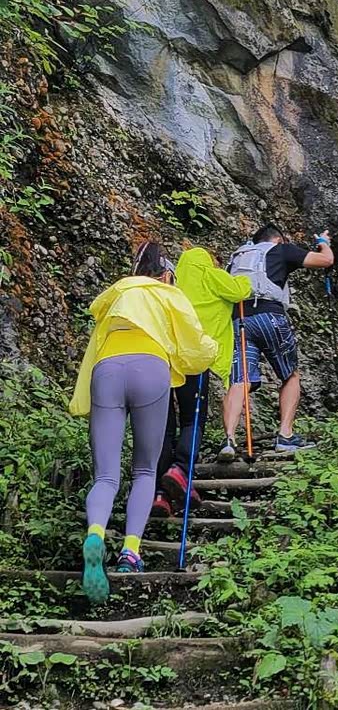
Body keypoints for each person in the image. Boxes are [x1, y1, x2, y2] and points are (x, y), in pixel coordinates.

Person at [69, 241, 217, 605]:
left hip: (107, 368)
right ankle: (130, 553)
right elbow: (195, 348)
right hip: (150, 367)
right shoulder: (168, 294)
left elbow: (95, 343)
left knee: (105, 475)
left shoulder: (117, 293)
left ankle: (96, 534)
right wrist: (211, 350)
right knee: (144, 470)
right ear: (166, 274)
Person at [151, 247, 251, 518]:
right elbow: (241, 289)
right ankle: (181, 469)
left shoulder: (172, 285)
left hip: (164, 359)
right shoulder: (211, 275)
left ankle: (160, 494)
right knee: (192, 421)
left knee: (165, 428)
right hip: (196, 357)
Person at [219, 224, 334, 458]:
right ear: (278, 239)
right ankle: (285, 435)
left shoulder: (237, 259)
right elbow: (326, 260)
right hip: (270, 316)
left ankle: (229, 440)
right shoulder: (280, 250)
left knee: (239, 380)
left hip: (239, 320)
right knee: (290, 375)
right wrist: (323, 242)